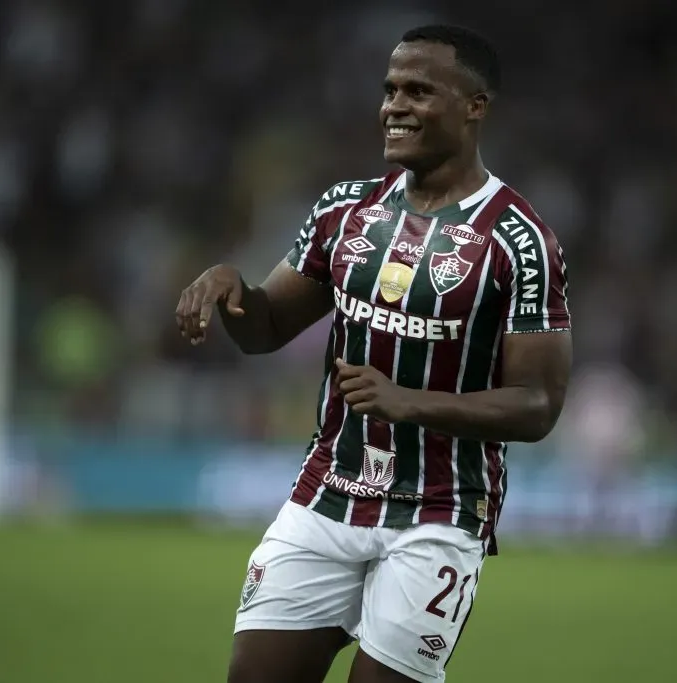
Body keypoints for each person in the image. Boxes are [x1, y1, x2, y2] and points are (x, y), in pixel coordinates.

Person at [175, 24, 572, 683]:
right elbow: (266, 329)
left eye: (419, 91)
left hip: (441, 510)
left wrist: (408, 402)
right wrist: (232, 289)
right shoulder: (345, 210)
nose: (394, 106)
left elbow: (539, 405)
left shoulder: (520, 240)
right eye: (390, 90)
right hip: (328, 492)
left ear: (475, 106)